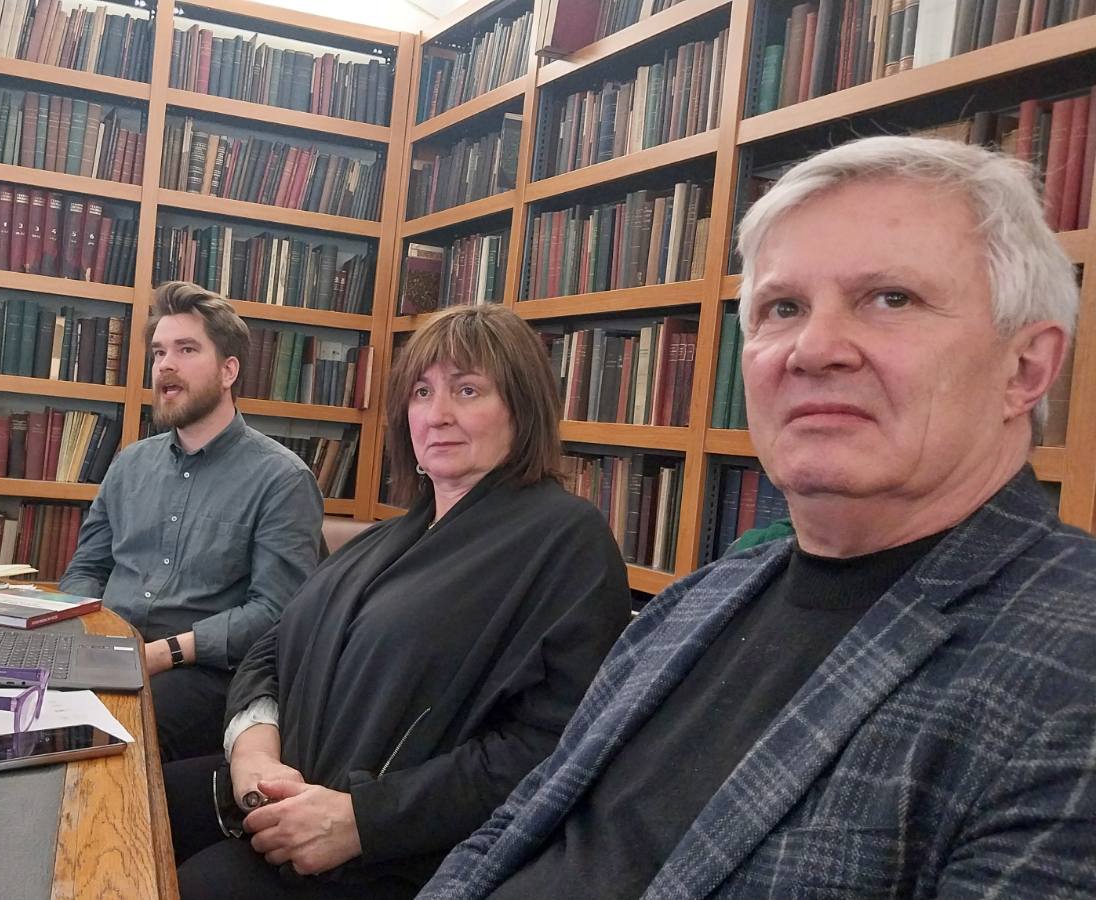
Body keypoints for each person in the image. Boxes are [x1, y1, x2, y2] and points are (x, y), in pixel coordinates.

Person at [420, 135, 1096, 899]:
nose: (814, 349)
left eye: (890, 299)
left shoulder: (1073, 671)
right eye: (783, 308)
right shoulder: (692, 601)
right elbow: (514, 828)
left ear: (1026, 368)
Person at [165, 304, 632, 899]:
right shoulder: (388, 537)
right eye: (421, 392)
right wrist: (253, 749)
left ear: (523, 407)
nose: (437, 415)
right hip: (279, 795)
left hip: (389, 855)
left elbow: (553, 748)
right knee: (119, 808)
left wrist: (361, 821)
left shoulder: (566, 541)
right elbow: (273, 647)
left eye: (467, 390)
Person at [60, 282, 324, 763]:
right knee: (10, 699)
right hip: (111, 652)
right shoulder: (129, 464)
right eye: (159, 352)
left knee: (108, 730)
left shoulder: (282, 479)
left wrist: (165, 652)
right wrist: (88, 633)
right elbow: (87, 569)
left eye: (186, 349)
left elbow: (277, 611)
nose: (166, 365)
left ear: (228, 371)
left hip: (204, 672)